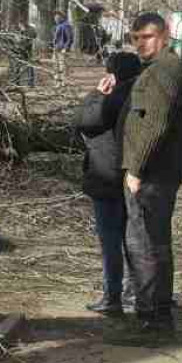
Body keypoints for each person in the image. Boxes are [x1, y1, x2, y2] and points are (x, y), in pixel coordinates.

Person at [107, 12, 182, 342]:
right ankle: (156, 317)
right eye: (136, 38)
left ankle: (152, 322)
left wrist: (136, 170)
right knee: (151, 243)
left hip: (150, 175)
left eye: (148, 37)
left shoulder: (165, 71)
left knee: (145, 246)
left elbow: (156, 125)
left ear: (165, 36)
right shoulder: (156, 70)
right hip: (151, 174)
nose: (141, 43)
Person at [76, 51, 145, 316]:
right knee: (132, 239)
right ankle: (132, 293)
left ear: (112, 75)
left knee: (111, 241)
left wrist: (96, 93)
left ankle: (113, 296)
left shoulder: (112, 98)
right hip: (129, 178)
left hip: (107, 178)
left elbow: (82, 120)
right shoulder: (139, 94)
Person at [51, 12, 74, 86]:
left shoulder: (66, 25)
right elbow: (56, 38)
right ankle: (57, 82)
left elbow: (70, 39)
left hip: (62, 50)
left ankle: (63, 82)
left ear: (61, 18)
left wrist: (65, 48)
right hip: (56, 48)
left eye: (57, 18)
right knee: (55, 65)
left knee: (62, 66)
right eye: (55, 18)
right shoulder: (58, 26)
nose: (55, 19)